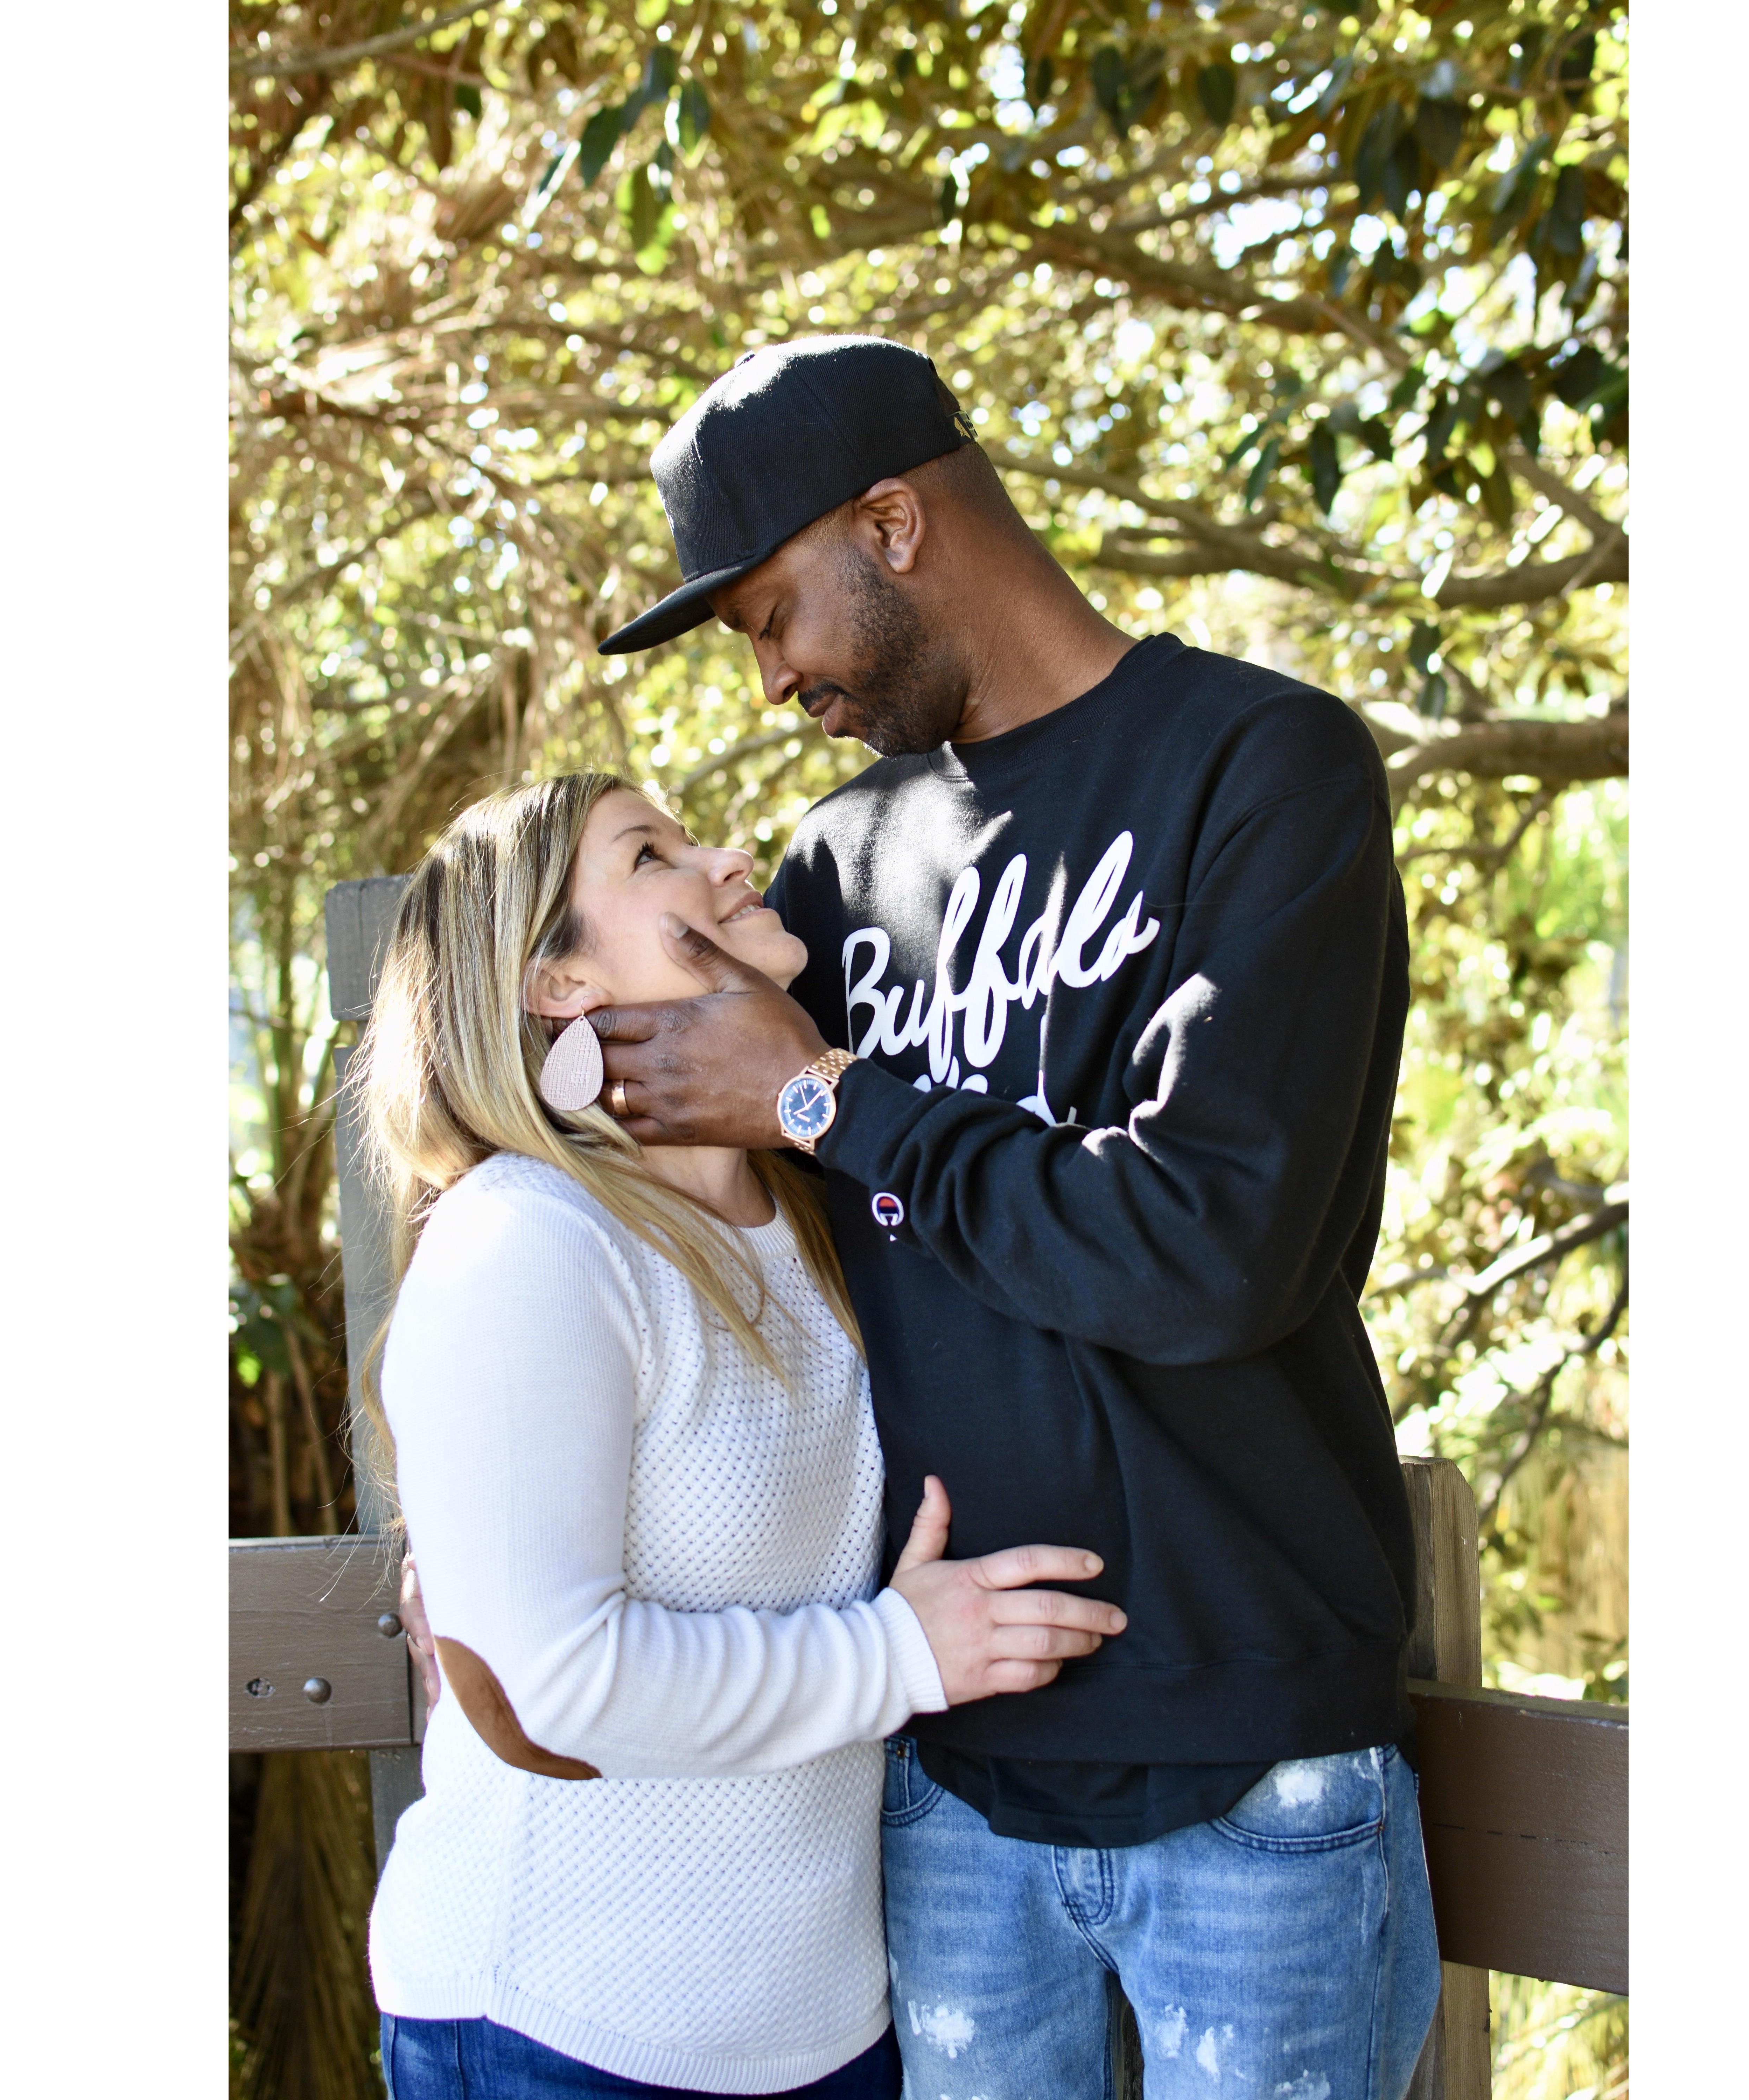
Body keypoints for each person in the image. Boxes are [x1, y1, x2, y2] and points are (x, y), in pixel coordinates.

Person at [583, 335, 1443, 2100]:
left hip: (1255, 1766)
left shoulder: (1264, 771)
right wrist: (501, 1501)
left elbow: (1213, 1251)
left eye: (768, 616)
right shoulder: (832, 874)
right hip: (949, 1775)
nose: (771, 678)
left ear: (894, 525)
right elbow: (725, 1257)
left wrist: (832, 1098)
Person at [353, 770, 1125, 2100]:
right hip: (565, 2032)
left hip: (828, 2028)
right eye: (650, 855)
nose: (725, 858)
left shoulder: (814, 1221)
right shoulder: (531, 1241)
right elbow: (553, 1685)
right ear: (561, 984)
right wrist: (901, 1653)